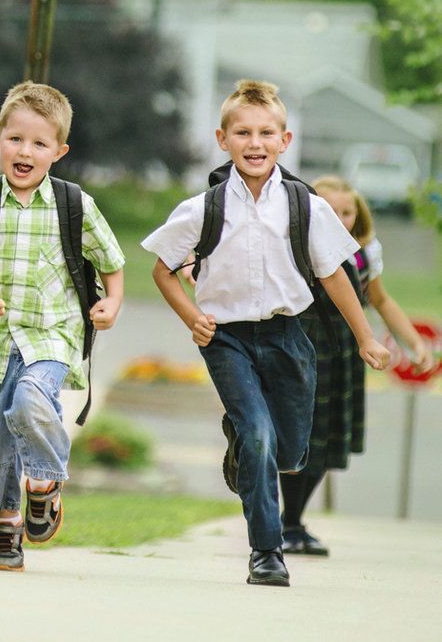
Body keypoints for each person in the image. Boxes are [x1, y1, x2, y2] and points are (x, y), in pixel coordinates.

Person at [142, 79, 391, 587]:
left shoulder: (305, 206)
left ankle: (241, 444)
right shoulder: (203, 209)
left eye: (265, 133)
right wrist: (193, 318)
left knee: (291, 452)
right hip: (226, 339)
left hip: (288, 334)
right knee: (259, 433)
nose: (254, 143)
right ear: (223, 139)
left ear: (285, 140)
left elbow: (333, 275)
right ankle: (266, 551)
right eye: (243, 133)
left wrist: (366, 336)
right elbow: (163, 271)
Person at [0, 81, 125, 572]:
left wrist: (113, 301)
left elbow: (110, 260)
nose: (26, 151)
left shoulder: (74, 204)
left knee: (32, 400)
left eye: (39, 143)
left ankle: (44, 482)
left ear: (59, 151)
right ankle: (6, 528)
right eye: (16, 139)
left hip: (52, 336)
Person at [280, 175, 432, 557]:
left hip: (345, 353)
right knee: (295, 436)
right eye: (331, 211)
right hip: (300, 347)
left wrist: (413, 342)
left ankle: (292, 522)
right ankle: (285, 523)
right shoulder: (293, 245)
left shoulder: (364, 253)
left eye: (347, 212)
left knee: (325, 439)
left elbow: (380, 301)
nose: (341, 219)